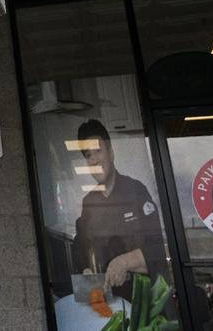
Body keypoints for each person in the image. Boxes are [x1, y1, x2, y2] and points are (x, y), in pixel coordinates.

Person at [71, 119, 167, 300]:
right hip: (107, 305)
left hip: (141, 302)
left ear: (111, 152)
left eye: (98, 150)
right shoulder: (89, 203)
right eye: (88, 155)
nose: (94, 160)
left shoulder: (136, 191)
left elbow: (158, 251)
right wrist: (86, 268)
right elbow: (81, 248)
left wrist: (124, 262)